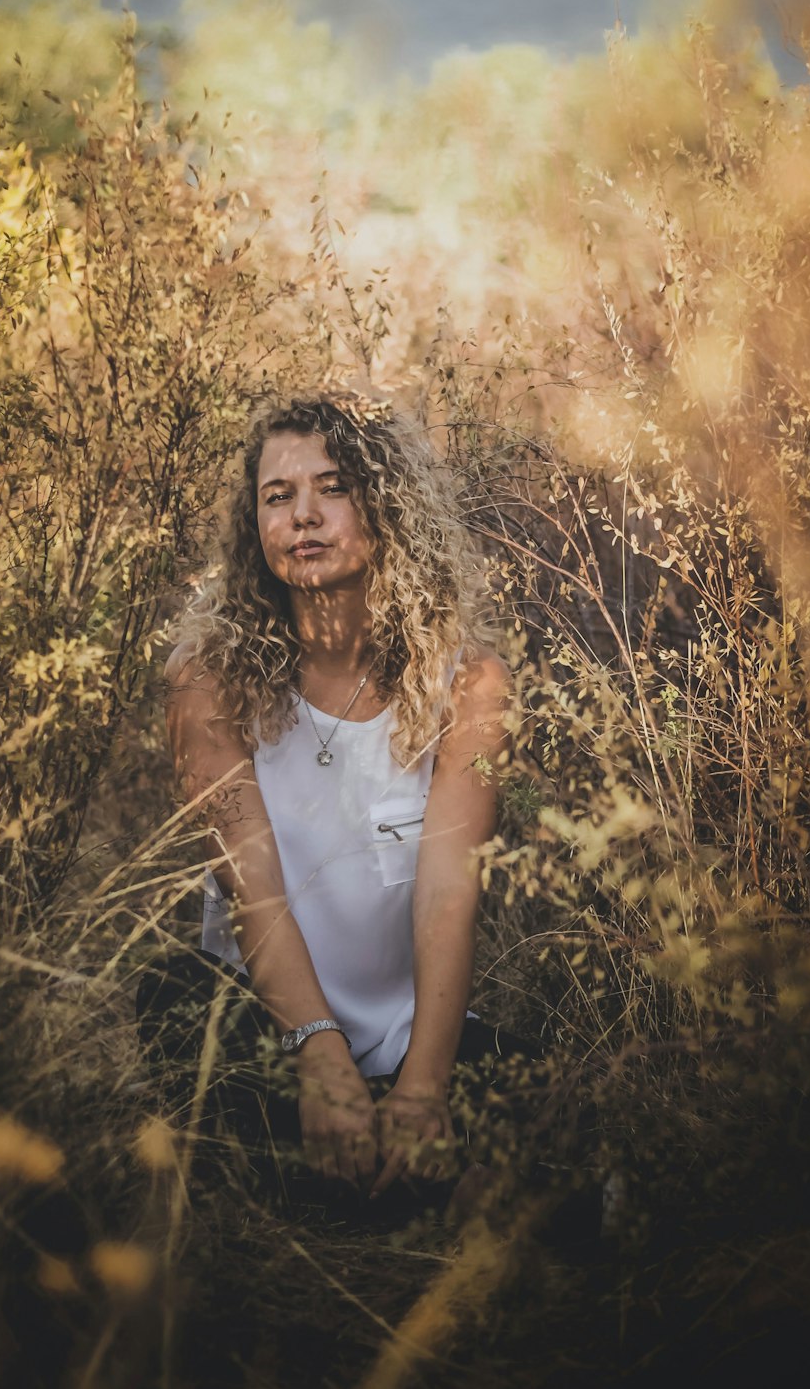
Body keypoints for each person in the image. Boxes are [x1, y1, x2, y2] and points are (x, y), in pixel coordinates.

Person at [139, 392, 540, 1211]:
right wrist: (318, 1058)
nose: (304, 517)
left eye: (333, 488)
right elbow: (254, 894)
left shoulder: (468, 687)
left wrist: (424, 1088)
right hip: (265, 1029)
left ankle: (371, 1177)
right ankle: (382, 1188)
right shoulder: (207, 682)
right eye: (277, 497)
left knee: (536, 1101)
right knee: (170, 1003)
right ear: (253, 525)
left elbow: (446, 894)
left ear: (384, 505)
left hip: (408, 1034)